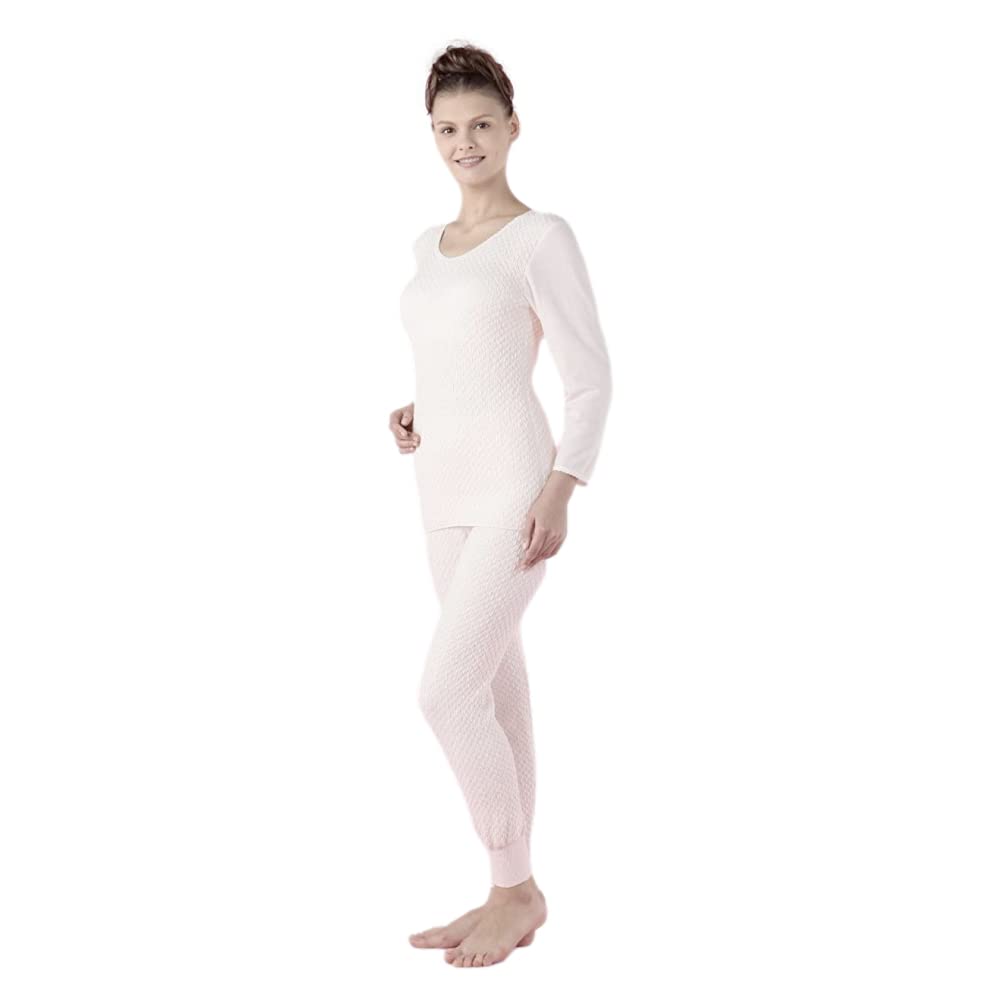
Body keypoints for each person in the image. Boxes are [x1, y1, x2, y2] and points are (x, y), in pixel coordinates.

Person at [389, 42, 612, 969]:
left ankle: (513, 890)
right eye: (446, 128)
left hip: (517, 484)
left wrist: (562, 485)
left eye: (480, 123)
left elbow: (589, 377)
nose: (464, 142)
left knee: (443, 692)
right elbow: (458, 357)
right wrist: (414, 409)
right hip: (440, 487)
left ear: (512, 127)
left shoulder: (540, 237)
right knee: (489, 684)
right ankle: (510, 887)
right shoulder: (425, 247)